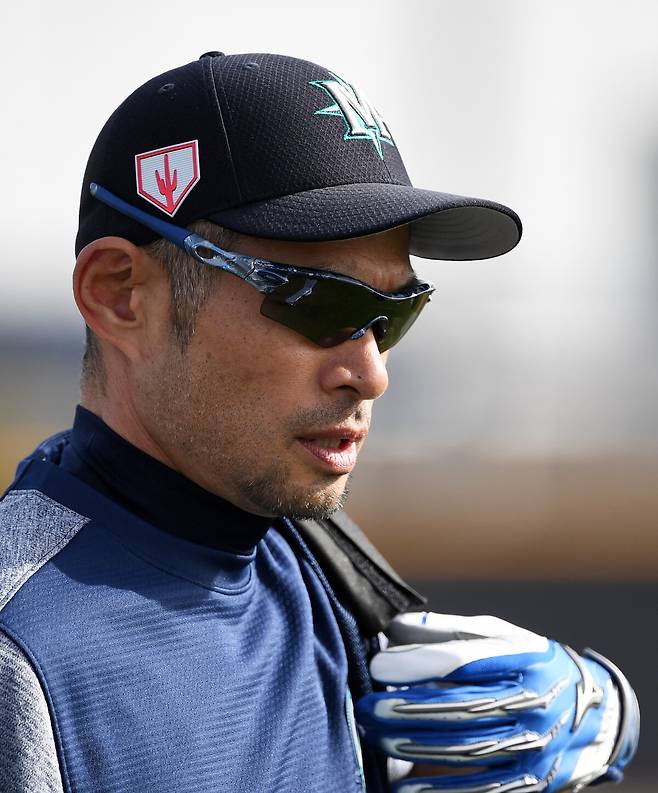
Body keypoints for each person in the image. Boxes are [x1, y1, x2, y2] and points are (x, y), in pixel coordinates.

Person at [0, 52, 638, 793]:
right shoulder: (24, 649)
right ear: (121, 294)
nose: (371, 373)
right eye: (319, 302)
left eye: (395, 312)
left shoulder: (319, 565)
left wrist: (607, 709)